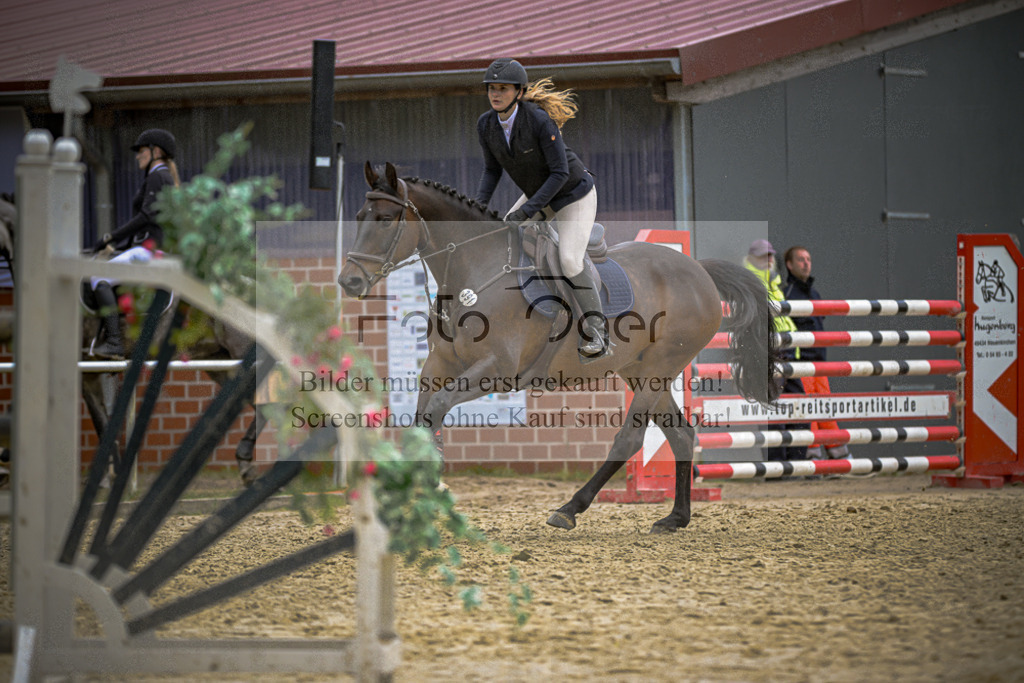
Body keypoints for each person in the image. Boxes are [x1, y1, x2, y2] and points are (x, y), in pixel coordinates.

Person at [473, 58, 609, 360]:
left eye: (503, 88)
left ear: (519, 92)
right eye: (492, 88)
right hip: (540, 193)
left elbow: (560, 173)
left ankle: (598, 331)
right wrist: (477, 207)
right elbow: (492, 171)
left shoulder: (537, 120)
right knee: (502, 237)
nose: (496, 94)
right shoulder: (486, 124)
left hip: (573, 193)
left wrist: (527, 211)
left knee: (570, 260)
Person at [90, 128, 180, 359]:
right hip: (147, 249)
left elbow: (145, 218)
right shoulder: (160, 177)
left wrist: (109, 237)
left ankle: (114, 342)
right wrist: (119, 247)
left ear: (156, 152)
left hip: (150, 252)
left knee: (98, 277)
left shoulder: (158, 176)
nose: (138, 156)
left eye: (141, 151)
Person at [743, 239, 808, 463]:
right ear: (752, 259)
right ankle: (777, 467)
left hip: (788, 350)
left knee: (799, 407)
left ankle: (797, 463)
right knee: (774, 409)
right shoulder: (749, 282)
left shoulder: (774, 282)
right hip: (768, 353)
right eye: (764, 256)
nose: (769, 259)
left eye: (770, 255)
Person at [784, 245, 850, 459]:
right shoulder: (787, 294)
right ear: (789, 265)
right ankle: (812, 458)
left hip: (820, 364)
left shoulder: (815, 294)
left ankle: (839, 458)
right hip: (801, 363)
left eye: (808, 259)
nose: (806, 264)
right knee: (807, 412)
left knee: (825, 409)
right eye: (801, 259)